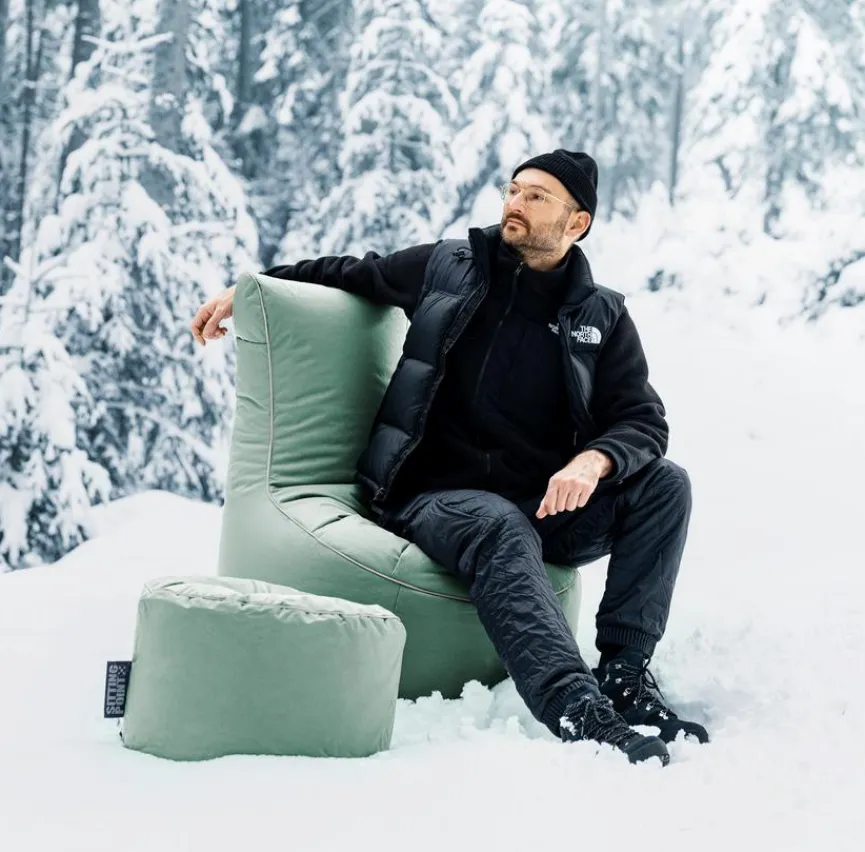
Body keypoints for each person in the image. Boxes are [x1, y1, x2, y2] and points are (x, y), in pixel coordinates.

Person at [191, 149, 709, 766]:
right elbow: (354, 273)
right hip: (430, 494)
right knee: (498, 524)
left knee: (665, 485)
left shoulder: (600, 315)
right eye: (513, 189)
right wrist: (252, 289)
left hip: (542, 504)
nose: (515, 203)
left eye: (537, 196)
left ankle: (624, 676)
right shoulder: (451, 267)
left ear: (577, 223)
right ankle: (578, 708)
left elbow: (643, 419)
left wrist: (594, 460)